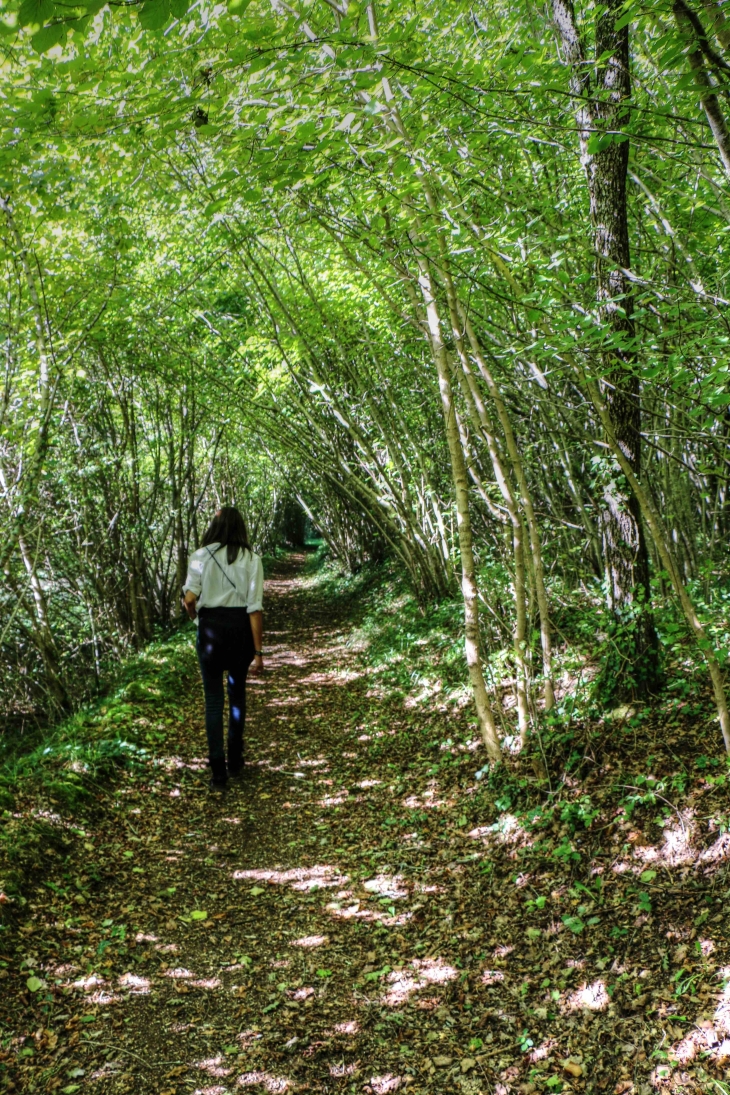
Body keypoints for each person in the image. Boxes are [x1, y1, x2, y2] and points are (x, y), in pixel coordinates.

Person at [182, 507, 264, 790]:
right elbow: (254, 609)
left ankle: (218, 770)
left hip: (210, 633)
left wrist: (195, 619)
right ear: (240, 528)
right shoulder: (252, 559)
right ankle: (235, 759)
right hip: (239, 630)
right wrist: (259, 652)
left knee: (214, 701)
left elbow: (189, 599)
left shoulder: (200, 556)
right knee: (237, 695)